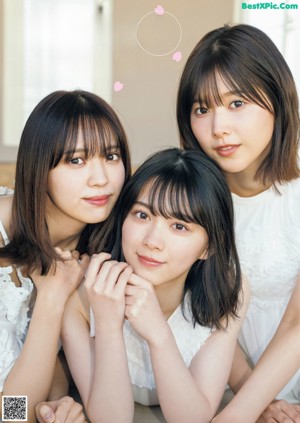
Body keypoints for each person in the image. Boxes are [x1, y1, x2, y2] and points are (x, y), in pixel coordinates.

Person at [62, 147, 249, 423]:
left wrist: (159, 335)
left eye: (179, 227)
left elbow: (191, 419)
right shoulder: (77, 289)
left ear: (208, 247)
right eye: (142, 215)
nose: (152, 241)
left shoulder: (228, 291)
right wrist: (107, 324)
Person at [176, 23, 300, 421]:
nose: (218, 128)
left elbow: (297, 324)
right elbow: (198, 306)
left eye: (236, 103)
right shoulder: (189, 201)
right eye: (202, 108)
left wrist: (249, 407)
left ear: (278, 100)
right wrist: (253, 400)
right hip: (222, 381)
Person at [0, 89, 131, 422]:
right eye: (76, 160)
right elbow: (11, 416)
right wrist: (52, 297)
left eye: (112, 156)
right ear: (39, 168)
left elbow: (49, 357)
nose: (101, 179)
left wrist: (58, 400)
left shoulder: (100, 249)